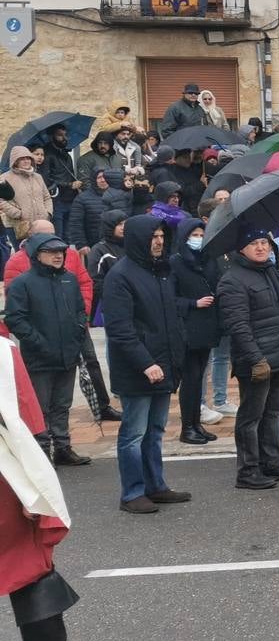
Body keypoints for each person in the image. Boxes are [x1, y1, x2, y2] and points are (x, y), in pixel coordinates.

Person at [101, 215, 192, 514]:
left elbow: (170, 319)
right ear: (138, 238)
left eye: (161, 236)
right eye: (153, 236)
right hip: (138, 369)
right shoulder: (121, 275)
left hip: (163, 365)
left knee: (155, 430)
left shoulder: (162, 271)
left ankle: (156, 486)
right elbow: (120, 329)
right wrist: (146, 363)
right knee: (134, 433)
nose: (159, 241)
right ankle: (132, 493)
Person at [1, 333, 81, 641]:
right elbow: (28, 423)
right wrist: (33, 488)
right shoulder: (4, 351)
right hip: (8, 478)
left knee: (31, 572)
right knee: (30, 570)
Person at [218, 230, 279, 489]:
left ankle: (272, 460)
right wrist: (256, 358)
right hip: (256, 360)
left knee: (273, 412)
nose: (260, 247)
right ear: (241, 249)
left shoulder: (270, 271)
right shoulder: (233, 280)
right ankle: (248, 469)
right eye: (253, 243)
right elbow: (238, 325)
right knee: (251, 416)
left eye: (263, 242)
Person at [4, 233, 94, 466]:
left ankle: (63, 447)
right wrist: (39, 343)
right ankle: (42, 451)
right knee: (40, 407)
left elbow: (79, 310)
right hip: (39, 357)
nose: (58, 256)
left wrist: (76, 335)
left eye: (61, 251)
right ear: (37, 255)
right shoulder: (23, 283)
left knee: (62, 405)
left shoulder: (69, 279)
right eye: (51, 252)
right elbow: (16, 319)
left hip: (68, 354)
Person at [168, 218, 223, 446]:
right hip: (188, 327)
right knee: (190, 379)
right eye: (195, 235)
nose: (198, 239)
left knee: (200, 377)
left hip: (208, 326)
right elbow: (170, 298)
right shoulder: (175, 262)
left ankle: (196, 424)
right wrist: (193, 303)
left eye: (202, 234)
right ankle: (187, 426)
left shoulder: (210, 260)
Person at [0, 147, 52, 250]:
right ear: (15, 161)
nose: (26, 161)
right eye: (22, 159)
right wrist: (18, 214)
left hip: (41, 224)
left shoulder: (38, 177)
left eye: (28, 158)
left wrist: (48, 212)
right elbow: (2, 200)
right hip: (19, 226)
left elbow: (47, 197)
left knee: (42, 253)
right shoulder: (5, 178)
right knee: (23, 255)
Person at [39, 128, 79, 237]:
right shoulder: (46, 155)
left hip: (70, 198)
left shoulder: (65, 154)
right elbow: (45, 179)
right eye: (60, 135)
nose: (64, 138)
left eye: (65, 135)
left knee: (68, 235)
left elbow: (70, 174)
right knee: (58, 235)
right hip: (56, 200)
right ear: (51, 137)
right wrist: (69, 184)